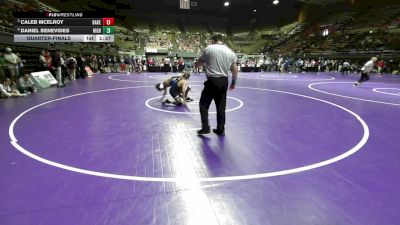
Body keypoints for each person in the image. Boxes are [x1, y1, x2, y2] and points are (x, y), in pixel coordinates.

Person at [196, 34, 238, 136]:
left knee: (203, 105)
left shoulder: (209, 49)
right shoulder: (230, 52)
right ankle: (220, 129)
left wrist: (198, 64)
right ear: (222, 40)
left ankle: (205, 128)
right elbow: (235, 71)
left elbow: (199, 63)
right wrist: (233, 83)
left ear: (213, 40)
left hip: (212, 82)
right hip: (223, 82)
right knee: (221, 107)